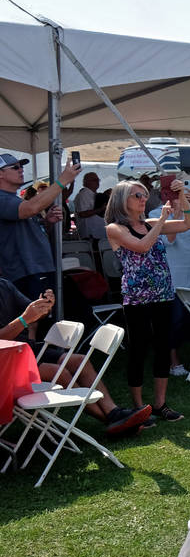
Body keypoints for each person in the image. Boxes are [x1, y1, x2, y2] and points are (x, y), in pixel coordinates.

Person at [0, 279, 151, 436]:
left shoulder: (4, 284)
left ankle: (114, 412)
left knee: (79, 361)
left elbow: (32, 315)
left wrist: (43, 306)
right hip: (5, 362)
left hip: (23, 350)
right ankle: (114, 421)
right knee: (59, 373)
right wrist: (24, 319)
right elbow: (19, 323)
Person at [106, 179, 190, 423]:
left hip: (163, 293)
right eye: (137, 195)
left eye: (144, 195)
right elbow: (142, 246)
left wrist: (182, 197)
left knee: (163, 348)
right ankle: (139, 407)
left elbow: (189, 223)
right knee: (138, 349)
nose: (143, 199)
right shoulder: (115, 228)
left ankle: (160, 404)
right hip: (137, 299)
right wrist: (163, 221)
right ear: (122, 200)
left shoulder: (152, 223)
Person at [149, 181, 190, 376]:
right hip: (175, 276)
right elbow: (169, 242)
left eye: (177, 193)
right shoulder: (155, 215)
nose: (173, 197)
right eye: (169, 193)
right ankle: (173, 362)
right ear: (162, 194)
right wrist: (176, 215)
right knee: (174, 322)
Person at [0, 152, 80, 305]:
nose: (21, 170)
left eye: (22, 166)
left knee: (47, 319)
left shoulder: (13, 200)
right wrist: (62, 181)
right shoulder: (3, 199)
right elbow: (31, 208)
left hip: (37, 269)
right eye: (15, 167)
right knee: (35, 321)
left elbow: (26, 226)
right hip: (26, 273)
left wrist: (46, 222)